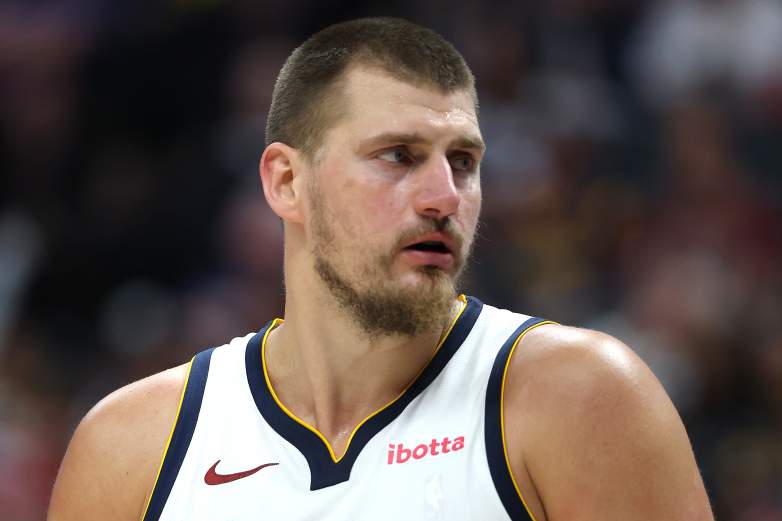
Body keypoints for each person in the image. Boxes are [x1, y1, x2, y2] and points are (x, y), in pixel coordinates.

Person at [48, 17, 714, 521]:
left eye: (463, 161)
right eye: (398, 155)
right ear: (286, 181)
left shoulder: (583, 398)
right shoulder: (133, 448)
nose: (444, 197)